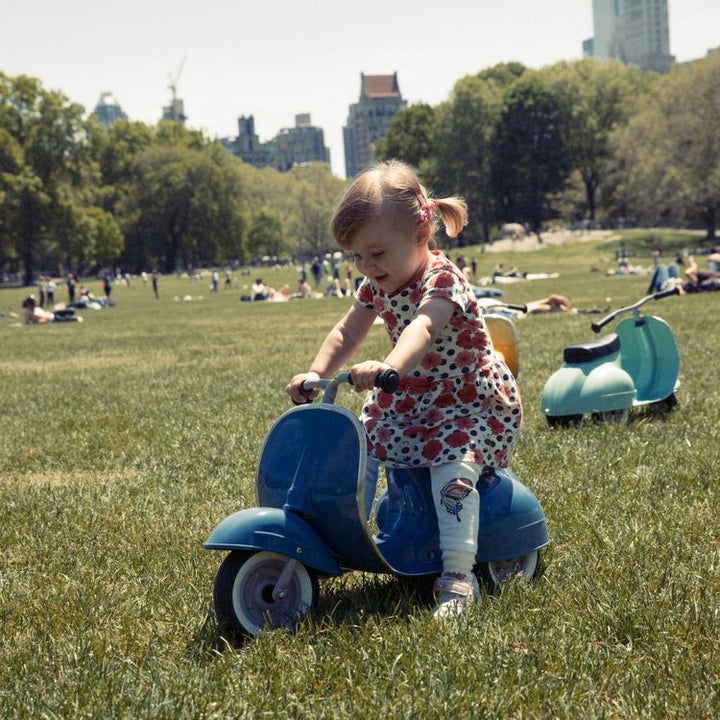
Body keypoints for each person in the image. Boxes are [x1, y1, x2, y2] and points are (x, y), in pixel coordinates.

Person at [286, 160, 521, 619]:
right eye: (357, 256)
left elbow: (423, 328)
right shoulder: (376, 283)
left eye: (375, 253)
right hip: (409, 395)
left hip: (465, 400)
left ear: (421, 232)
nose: (366, 266)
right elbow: (346, 331)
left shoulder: (443, 280)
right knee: (355, 447)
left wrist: (389, 365)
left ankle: (458, 577)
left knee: (452, 472)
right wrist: (316, 372)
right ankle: (342, 537)